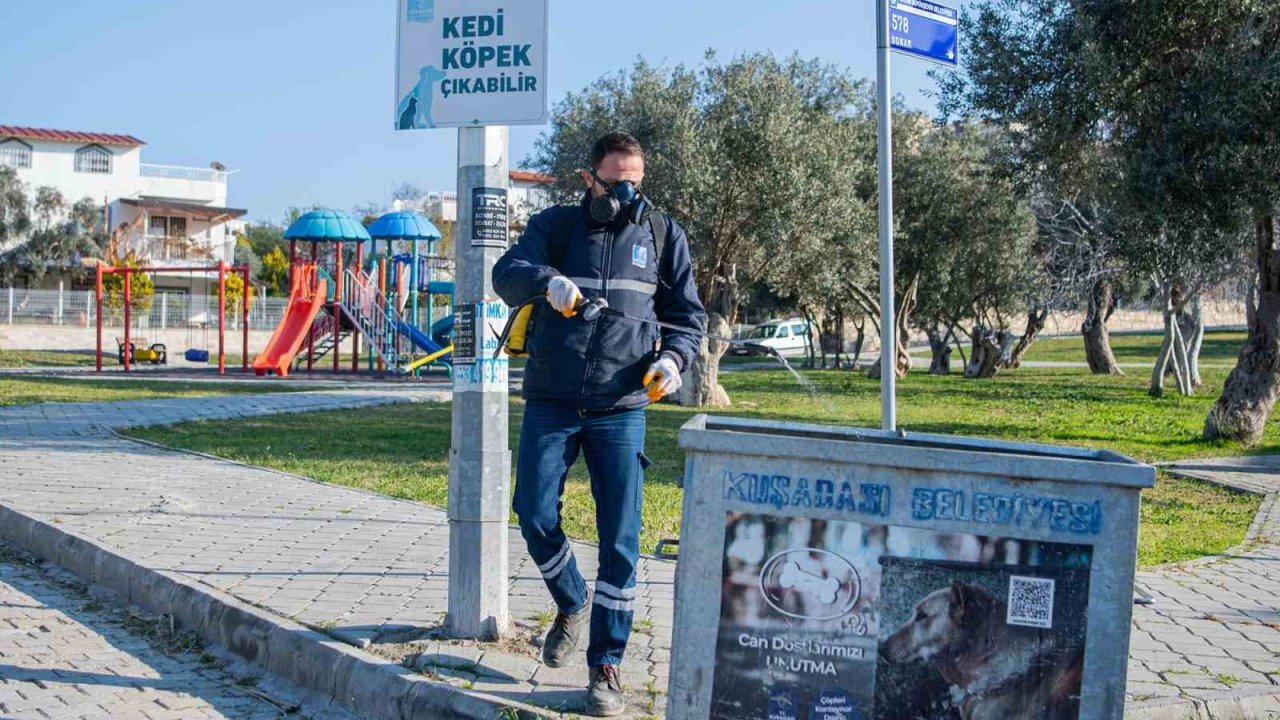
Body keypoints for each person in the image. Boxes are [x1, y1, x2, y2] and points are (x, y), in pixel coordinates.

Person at [492, 131, 705, 716]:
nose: (627, 194)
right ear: (590, 179)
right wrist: (547, 282)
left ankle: (605, 665)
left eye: (636, 182)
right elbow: (507, 273)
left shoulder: (663, 235)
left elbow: (687, 318)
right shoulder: (556, 227)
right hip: (553, 399)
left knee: (621, 540)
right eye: (616, 183)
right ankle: (571, 600)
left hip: (622, 406)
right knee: (533, 513)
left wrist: (673, 360)